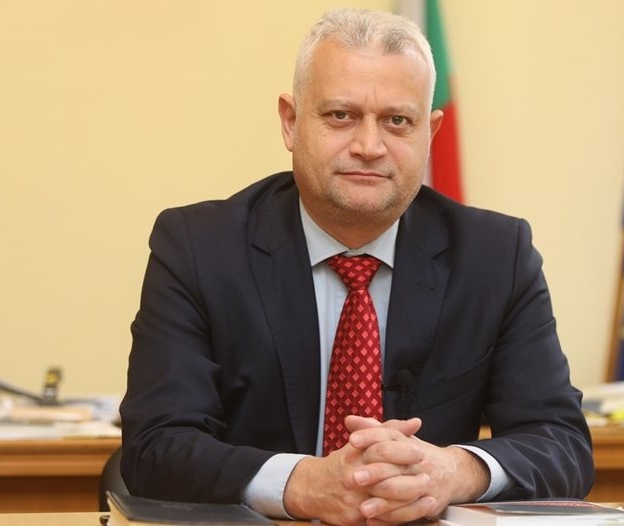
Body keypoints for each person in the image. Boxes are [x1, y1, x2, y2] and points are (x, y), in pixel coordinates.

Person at [120, 8, 594, 526]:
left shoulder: (496, 256)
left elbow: (562, 443)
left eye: (397, 121)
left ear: (430, 133)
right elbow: (155, 446)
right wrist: (304, 484)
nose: (369, 147)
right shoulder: (199, 248)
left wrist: (450, 471)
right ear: (291, 122)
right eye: (341, 116)